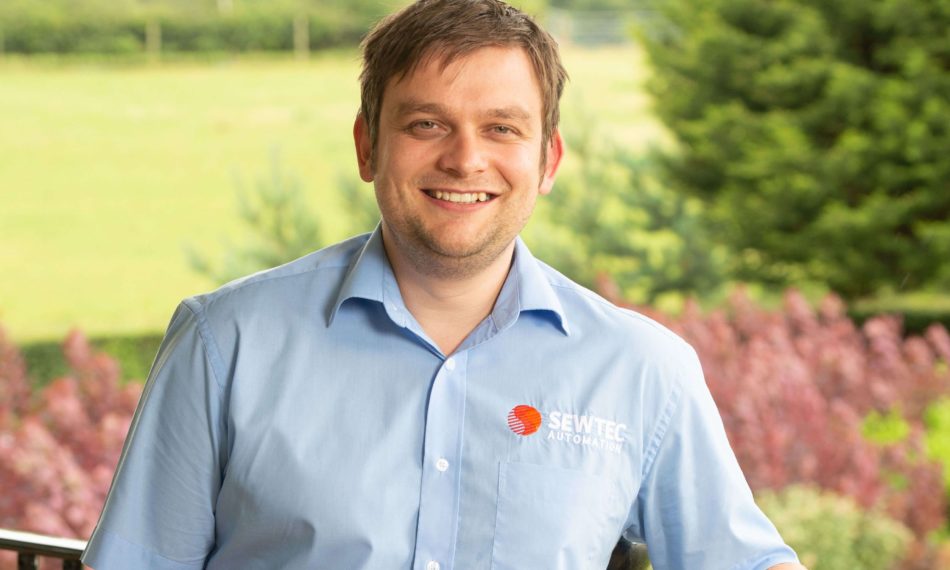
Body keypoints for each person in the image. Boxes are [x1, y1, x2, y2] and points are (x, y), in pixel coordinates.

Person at [82, 1, 806, 569]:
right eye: (427, 124)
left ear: (548, 160)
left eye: (501, 129)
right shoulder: (224, 342)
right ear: (368, 146)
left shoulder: (642, 371)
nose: (466, 160)